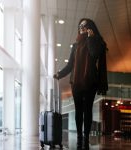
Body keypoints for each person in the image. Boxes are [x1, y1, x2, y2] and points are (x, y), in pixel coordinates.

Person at [54, 18, 108, 149]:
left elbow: (94, 54)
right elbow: (70, 65)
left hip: (91, 81)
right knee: (78, 111)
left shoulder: (98, 42)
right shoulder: (76, 45)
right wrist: (60, 74)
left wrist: (90, 38)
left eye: (84, 25)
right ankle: (79, 136)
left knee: (88, 110)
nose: (81, 27)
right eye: (80, 26)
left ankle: (86, 137)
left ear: (90, 27)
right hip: (76, 82)